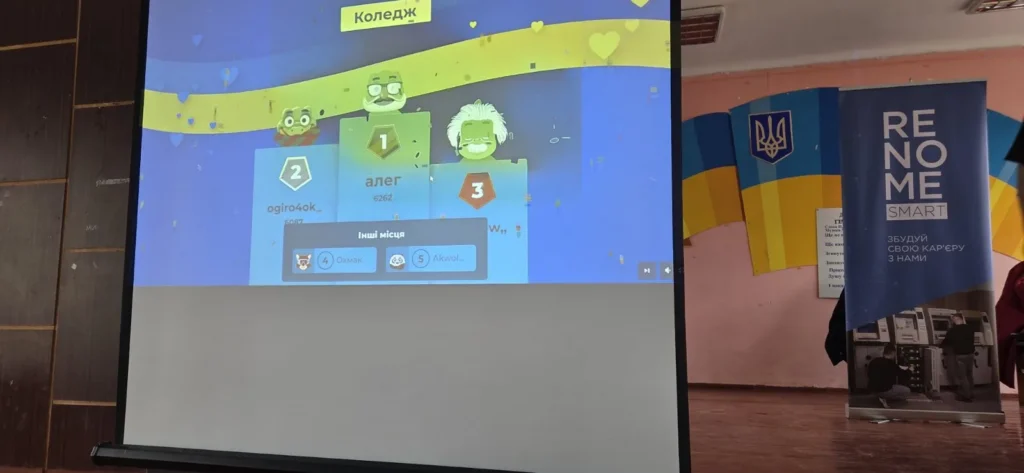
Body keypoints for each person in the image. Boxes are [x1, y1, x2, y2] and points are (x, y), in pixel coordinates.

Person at [941, 313, 976, 402]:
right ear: (962, 319)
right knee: (969, 375)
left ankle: (967, 397)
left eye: (953, 320)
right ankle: (971, 393)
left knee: (962, 377)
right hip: (971, 354)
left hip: (961, 355)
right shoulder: (970, 328)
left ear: (954, 320)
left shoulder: (952, 330)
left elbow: (946, 342)